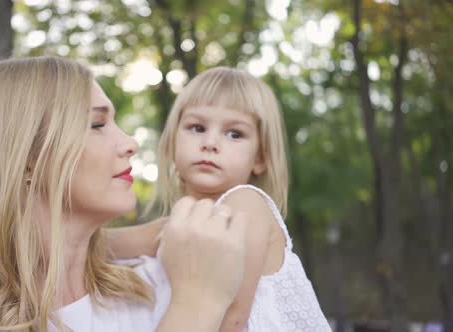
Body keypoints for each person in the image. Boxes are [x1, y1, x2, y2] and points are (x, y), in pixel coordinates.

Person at [0, 57, 250, 332]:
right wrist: (197, 305)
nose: (129, 143)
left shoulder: (152, 285)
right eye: (97, 124)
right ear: (27, 160)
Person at [112, 67, 332, 331]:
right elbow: (96, 244)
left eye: (234, 134)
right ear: (172, 143)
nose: (211, 142)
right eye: (197, 127)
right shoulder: (176, 227)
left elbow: (232, 320)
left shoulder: (246, 205)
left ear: (260, 158)